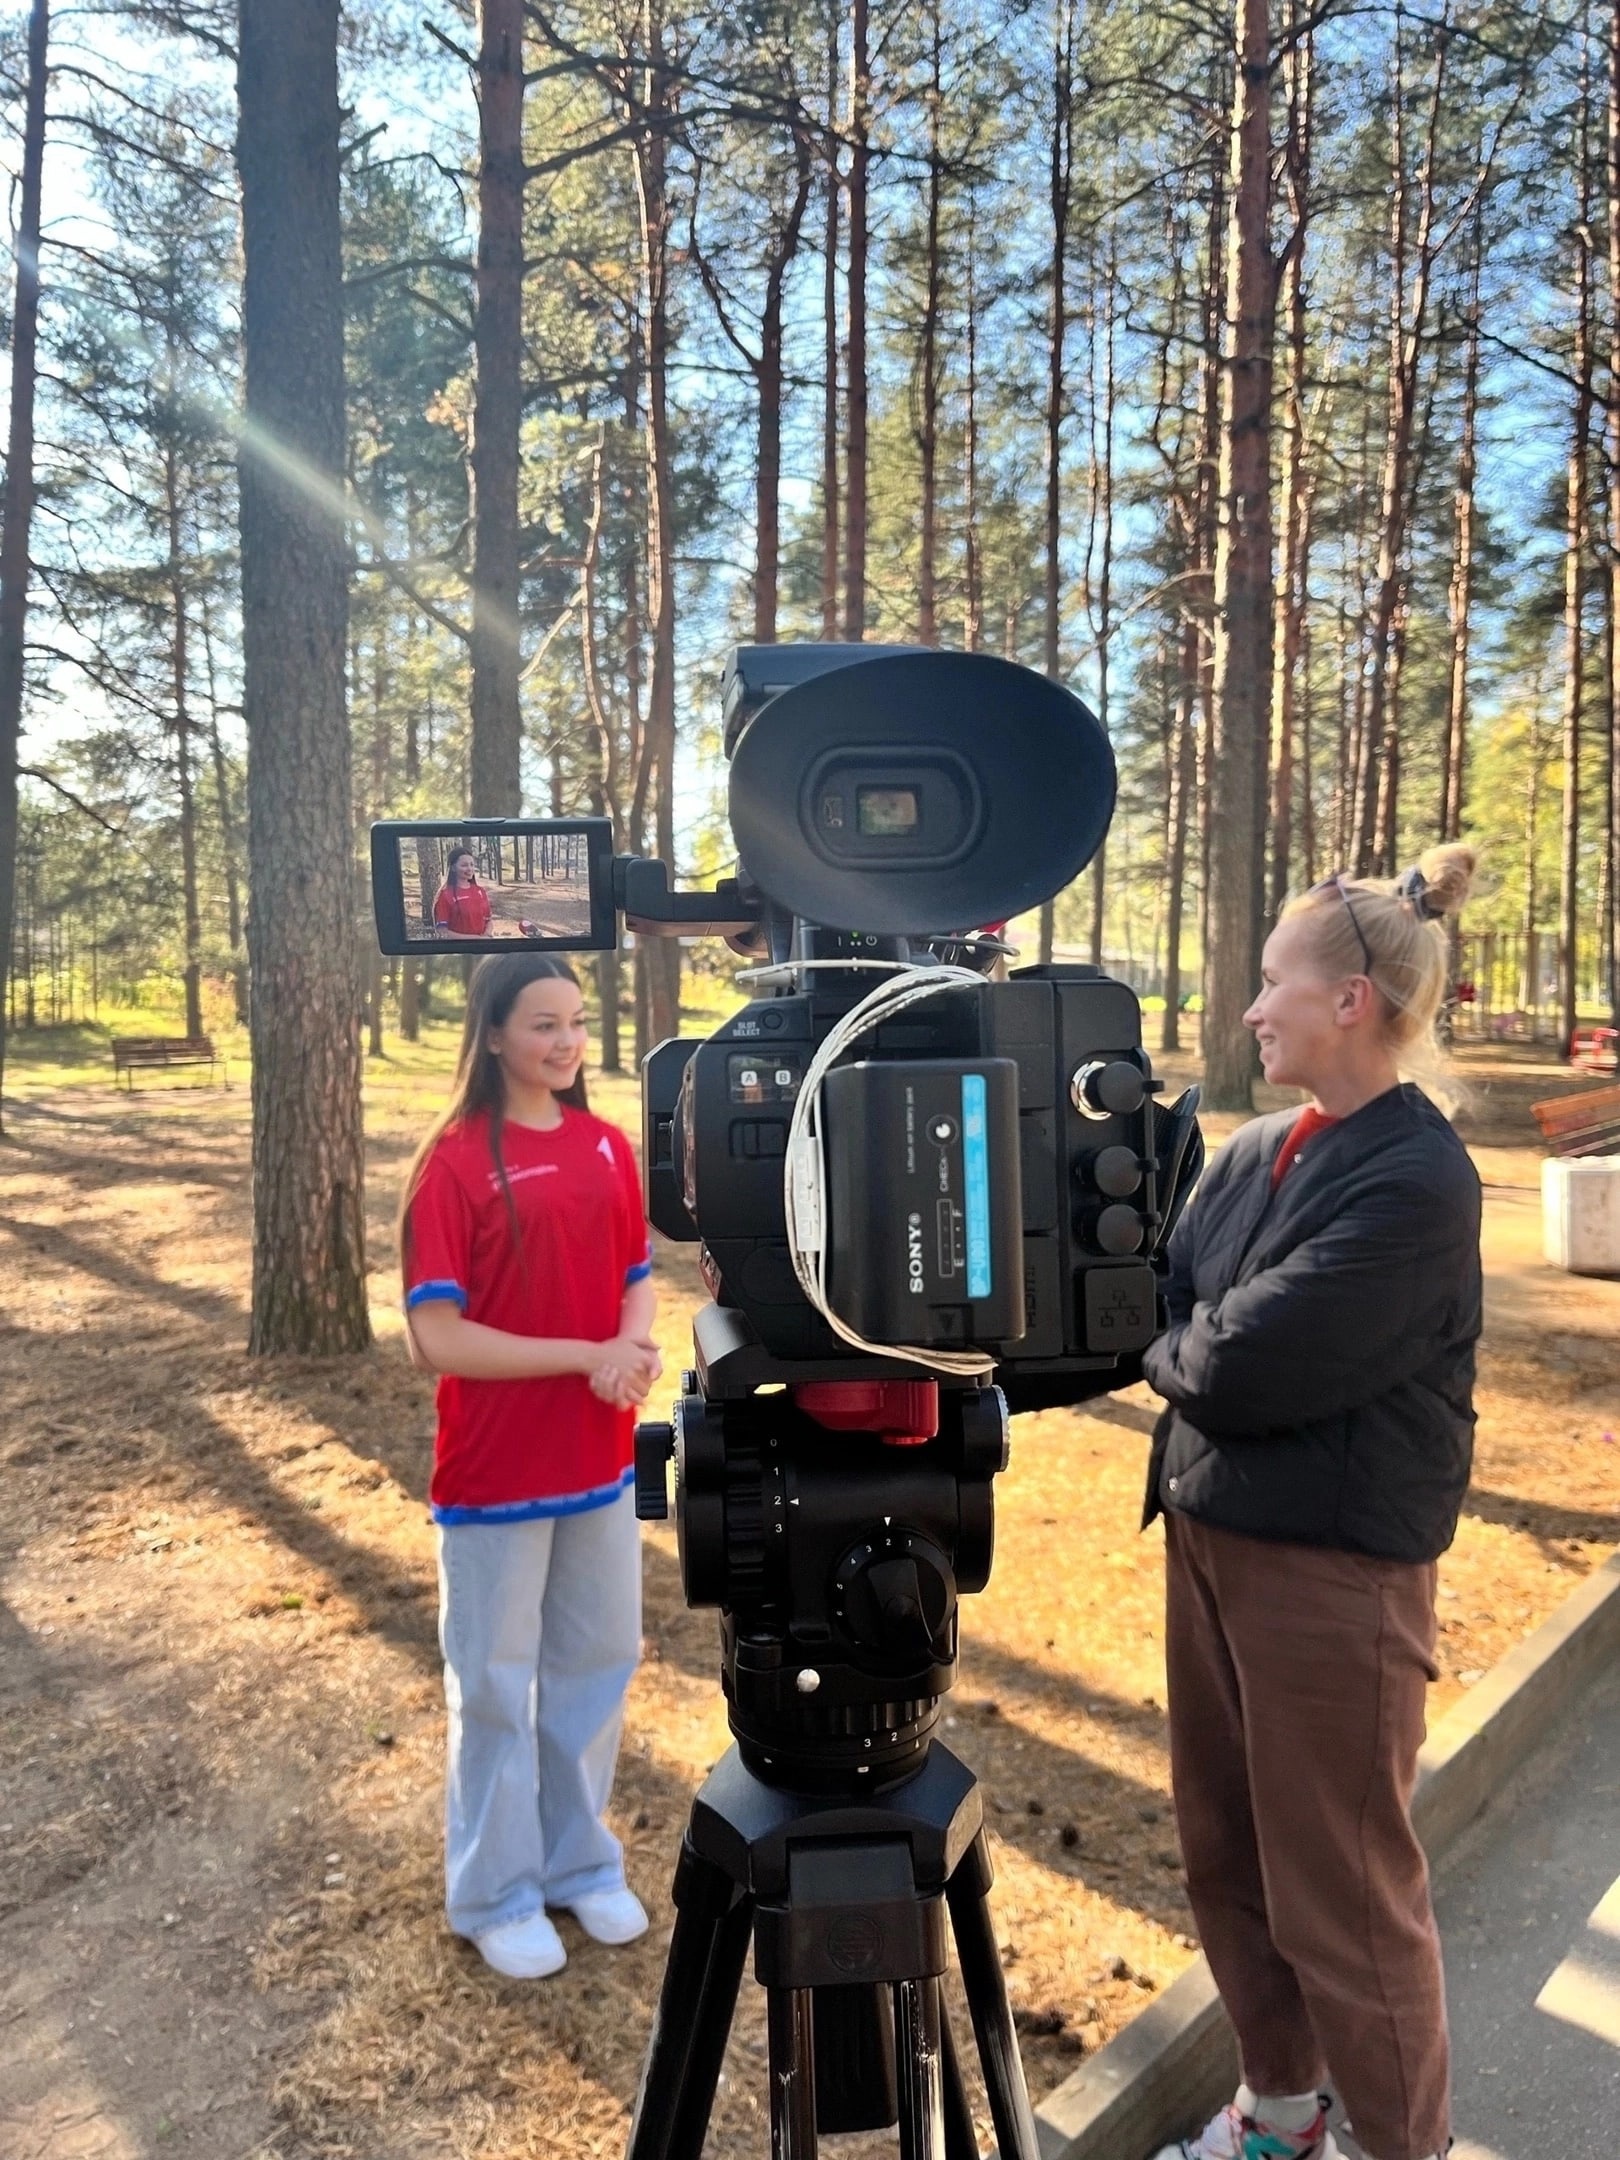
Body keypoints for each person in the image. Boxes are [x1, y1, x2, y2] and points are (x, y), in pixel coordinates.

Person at [1141, 844, 1482, 2160]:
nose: (1251, 1008)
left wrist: (1186, 1361)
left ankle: (1402, 2148)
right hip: (1210, 1541)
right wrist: (1190, 1356)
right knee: (1225, 1857)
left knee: (1342, 1898)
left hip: (1334, 1581)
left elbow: (1231, 1364)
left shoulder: (1416, 1179)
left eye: (1273, 982)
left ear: (1350, 1003)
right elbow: (1172, 1305)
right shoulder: (1261, 1147)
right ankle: (1279, 2116)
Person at [400, 953, 662, 1981]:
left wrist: (632, 1348)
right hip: (495, 1477)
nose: (564, 1042)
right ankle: (494, 1891)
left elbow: (636, 1277)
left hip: (600, 1464)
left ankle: (576, 1865)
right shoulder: (454, 1161)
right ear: (495, 1034)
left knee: (597, 1668)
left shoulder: (606, 1144)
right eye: (542, 1024)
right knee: (497, 1688)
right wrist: (584, 1357)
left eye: (576, 1022)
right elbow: (438, 1338)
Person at [433, 847, 493, 938]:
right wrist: (473, 939)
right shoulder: (445, 894)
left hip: (482, 947)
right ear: (453, 868)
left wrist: (486, 935)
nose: (470, 868)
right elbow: (442, 931)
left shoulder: (480, 891)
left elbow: (488, 920)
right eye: (464, 865)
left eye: (472, 865)